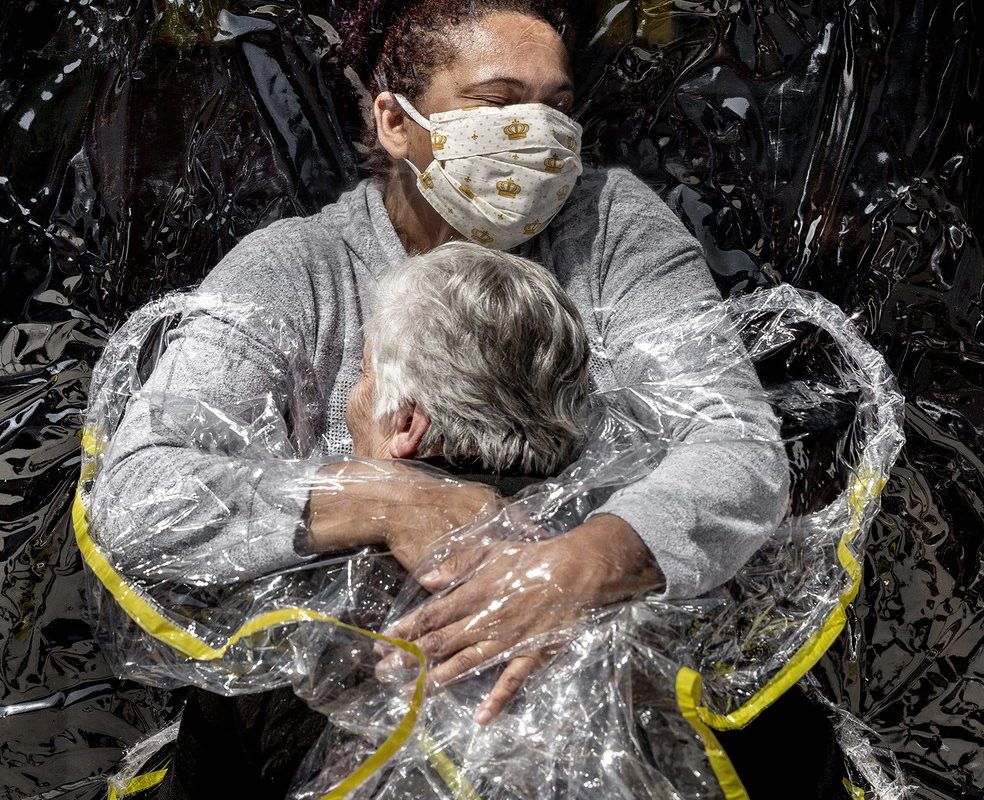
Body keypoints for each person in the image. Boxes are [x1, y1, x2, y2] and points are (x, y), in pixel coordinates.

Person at [95, 0, 788, 736]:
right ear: (397, 123)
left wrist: (578, 568)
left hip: (599, 700)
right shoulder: (295, 270)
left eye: (558, 106)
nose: (540, 134)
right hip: (340, 714)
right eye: (498, 104)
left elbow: (738, 449)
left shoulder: (612, 229)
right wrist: (386, 499)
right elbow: (141, 497)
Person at [155, 241, 594, 798]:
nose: (351, 402)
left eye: (362, 378)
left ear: (407, 423)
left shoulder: (291, 631)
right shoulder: (626, 565)